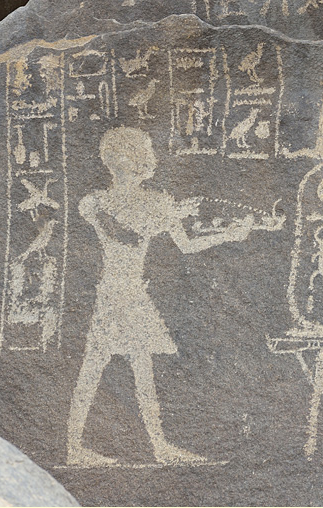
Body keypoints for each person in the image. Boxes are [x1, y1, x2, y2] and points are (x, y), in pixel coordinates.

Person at [67, 126, 253, 466]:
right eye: (124, 155)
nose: (127, 162)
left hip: (131, 293)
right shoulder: (97, 202)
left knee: (139, 368)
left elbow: (187, 244)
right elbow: (125, 234)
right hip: (114, 293)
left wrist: (228, 234)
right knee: (95, 365)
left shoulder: (152, 203)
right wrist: (165, 217)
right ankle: (77, 447)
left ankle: (156, 445)